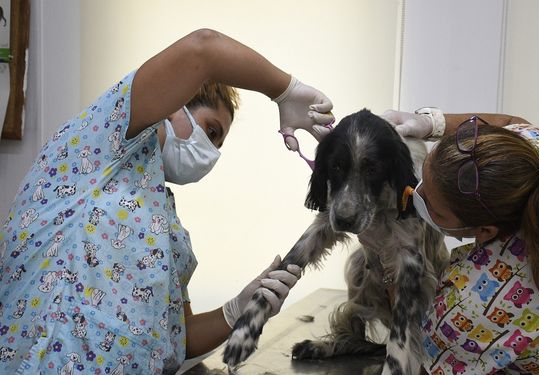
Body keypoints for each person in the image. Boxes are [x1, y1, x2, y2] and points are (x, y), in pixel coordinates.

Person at [0, 29, 335, 373]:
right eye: (211, 130)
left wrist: (238, 308)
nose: (210, 152)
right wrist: (285, 91)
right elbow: (203, 49)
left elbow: (175, 335)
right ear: (175, 103)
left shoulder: (164, 222)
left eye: (217, 144)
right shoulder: (101, 140)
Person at [381, 109, 539, 373]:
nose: (416, 192)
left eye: (433, 207)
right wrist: (432, 123)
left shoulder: (474, 304)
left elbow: (421, 361)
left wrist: (391, 265)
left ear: (486, 231)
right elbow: (510, 124)